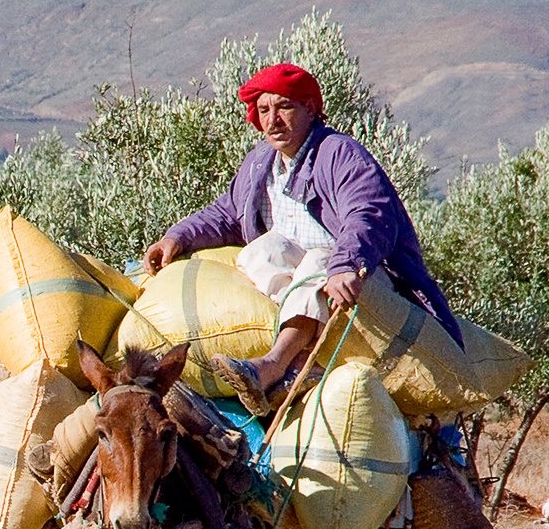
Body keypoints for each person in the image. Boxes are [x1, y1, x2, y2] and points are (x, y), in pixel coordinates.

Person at [142, 62, 459, 415]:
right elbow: (226, 214)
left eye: (284, 107)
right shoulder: (261, 163)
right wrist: (178, 237)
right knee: (259, 252)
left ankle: (273, 365)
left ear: (310, 108)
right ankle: (307, 347)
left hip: (361, 279)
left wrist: (347, 264)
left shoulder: (339, 154)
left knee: (319, 260)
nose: (272, 120)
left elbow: (369, 213)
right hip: (312, 282)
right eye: (263, 110)